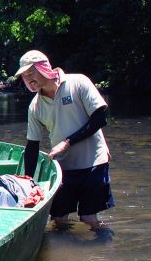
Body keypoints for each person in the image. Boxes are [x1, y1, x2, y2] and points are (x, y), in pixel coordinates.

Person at [15, 50, 114, 230]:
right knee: (58, 220)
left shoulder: (78, 83)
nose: (28, 80)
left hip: (94, 162)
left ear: (44, 68)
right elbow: (32, 146)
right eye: (24, 76)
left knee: (89, 219)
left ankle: (101, 254)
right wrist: (28, 182)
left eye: (31, 73)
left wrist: (67, 142)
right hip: (63, 168)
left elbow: (100, 119)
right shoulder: (35, 107)